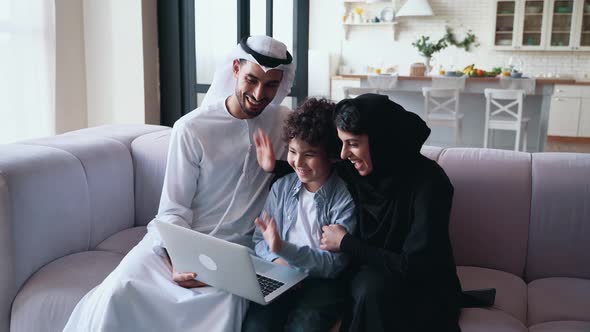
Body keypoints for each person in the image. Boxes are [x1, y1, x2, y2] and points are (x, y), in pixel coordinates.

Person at [63, 35, 296, 332]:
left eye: (271, 85)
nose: (259, 93)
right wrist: (180, 259)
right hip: (174, 244)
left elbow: (310, 177)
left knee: (220, 313)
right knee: (117, 293)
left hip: (236, 256)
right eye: (251, 79)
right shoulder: (192, 127)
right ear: (235, 69)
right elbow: (173, 209)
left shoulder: (284, 124)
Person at [255, 94, 468, 332]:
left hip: (418, 280)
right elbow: (315, 169)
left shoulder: (430, 184)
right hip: (369, 267)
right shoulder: (360, 169)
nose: (344, 154)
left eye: (353, 144)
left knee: (368, 288)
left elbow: (417, 266)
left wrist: (347, 243)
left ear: (381, 141)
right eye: (341, 143)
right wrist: (274, 167)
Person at [242, 98, 356, 332]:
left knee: (304, 328)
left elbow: (335, 264)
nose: (298, 162)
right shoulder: (282, 188)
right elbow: (259, 241)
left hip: (323, 282)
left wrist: (284, 250)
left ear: (332, 155)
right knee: (255, 326)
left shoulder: (343, 198)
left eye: (310, 154)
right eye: (293, 151)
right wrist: (277, 259)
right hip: (281, 272)